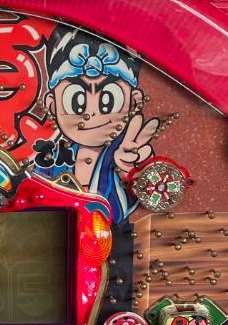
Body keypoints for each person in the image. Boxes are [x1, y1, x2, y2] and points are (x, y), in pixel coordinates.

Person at [38, 25, 161, 222]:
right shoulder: (48, 158)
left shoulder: (130, 151)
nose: (92, 113)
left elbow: (151, 203)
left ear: (134, 101)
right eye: (76, 100)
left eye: (108, 100)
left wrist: (131, 173)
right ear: (52, 104)